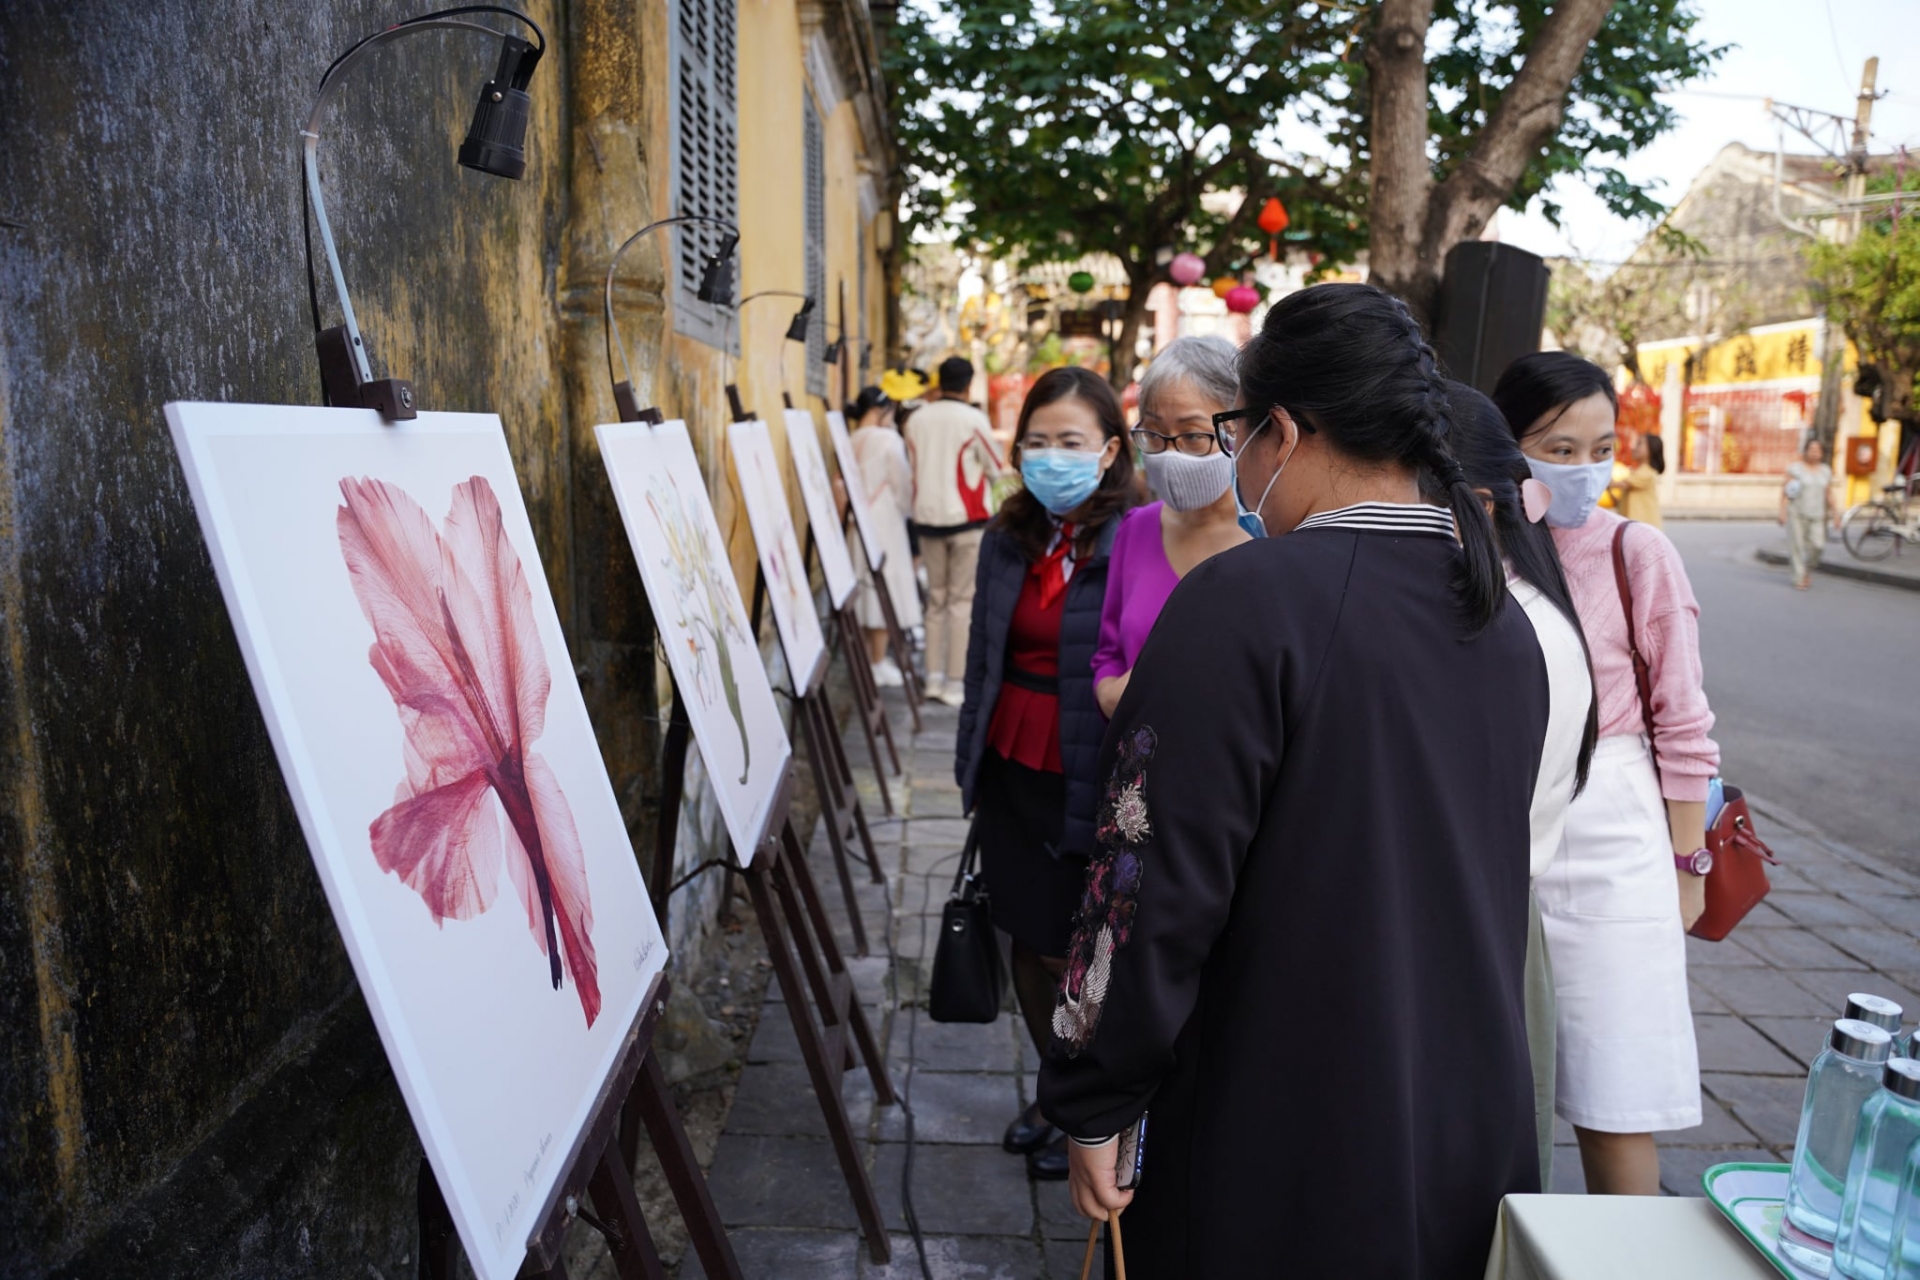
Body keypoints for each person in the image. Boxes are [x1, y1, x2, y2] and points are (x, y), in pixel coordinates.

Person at [1043, 283, 1547, 1276]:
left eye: (1232, 435)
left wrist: (1093, 1092)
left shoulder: (1245, 601)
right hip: (1462, 1106)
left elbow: (1149, 880)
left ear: (1280, 428)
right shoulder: (1502, 619)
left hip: (1284, 1117)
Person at [1493, 350, 1719, 1198]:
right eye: (1558, 448)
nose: (1584, 469)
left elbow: (1685, 720)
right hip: (1500, 825)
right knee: (1489, 1087)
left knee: (1613, 1099)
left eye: (1601, 447)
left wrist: (1686, 864)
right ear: (1507, 448)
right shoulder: (1473, 546)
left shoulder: (1637, 553)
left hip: (1614, 834)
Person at [955, 366, 1141, 1181]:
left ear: (1108, 452)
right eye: (1036, 442)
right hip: (1011, 765)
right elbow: (980, 661)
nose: (1050, 457)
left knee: (1087, 950)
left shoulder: (1139, 537)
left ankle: (1093, 1109)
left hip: (1093, 774)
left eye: (1070, 442)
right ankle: (1054, 1093)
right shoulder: (1007, 537)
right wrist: (968, 764)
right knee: (1029, 946)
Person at [1449, 380, 1600, 1184]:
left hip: (1467, 933)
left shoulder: (1500, 632)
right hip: (1496, 920)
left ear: (1475, 502)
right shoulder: (1527, 608)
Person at [1092, 336, 1249, 718]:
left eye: (1193, 436)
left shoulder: (1273, 537)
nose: (1171, 455)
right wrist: (1108, 692)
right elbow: (1109, 651)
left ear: (1239, 430)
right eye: (1154, 435)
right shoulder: (1137, 528)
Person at [904, 356, 1005, 707]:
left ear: (940, 380)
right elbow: (995, 466)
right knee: (961, 602)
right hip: (967, 520)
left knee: (935, 599)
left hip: (926, 518)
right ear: (968, 383)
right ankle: (954, 682)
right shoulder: (972, 418)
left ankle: (931, 678)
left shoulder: (916, 419)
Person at [846, 386, 923, 684]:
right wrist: (906, 510)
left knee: (864, 583)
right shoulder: (888, 439)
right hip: (884, 518)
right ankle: (878, 661)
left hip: (857, 519)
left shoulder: (850, 439)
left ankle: (869, 658)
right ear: (881, 410)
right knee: (886, 585)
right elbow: (901, 483)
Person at [1781, 436, 1836, 590]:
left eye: (1817, 450)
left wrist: (1836, 514)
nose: (1814, 453)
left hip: (1817, 515)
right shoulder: (1795, 469)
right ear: (1805, 451)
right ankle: (1799, 578)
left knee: (1818, 546)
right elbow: (1785, 490)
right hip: (1797, 513)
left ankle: (1806, 568)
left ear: (1822, 453)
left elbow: (1829, 493)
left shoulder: (1825, 471)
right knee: (1797, 546)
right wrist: (1781, 511)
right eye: (1811, 450)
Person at [1611, 433, 1666, 528]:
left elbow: (1617, 484)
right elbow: (1620, 503)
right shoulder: (1635, 473)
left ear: (1651, 449)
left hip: (1644, 529)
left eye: (1639, 443)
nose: (1634, 447)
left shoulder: (1647, 472)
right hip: (1634, 527)